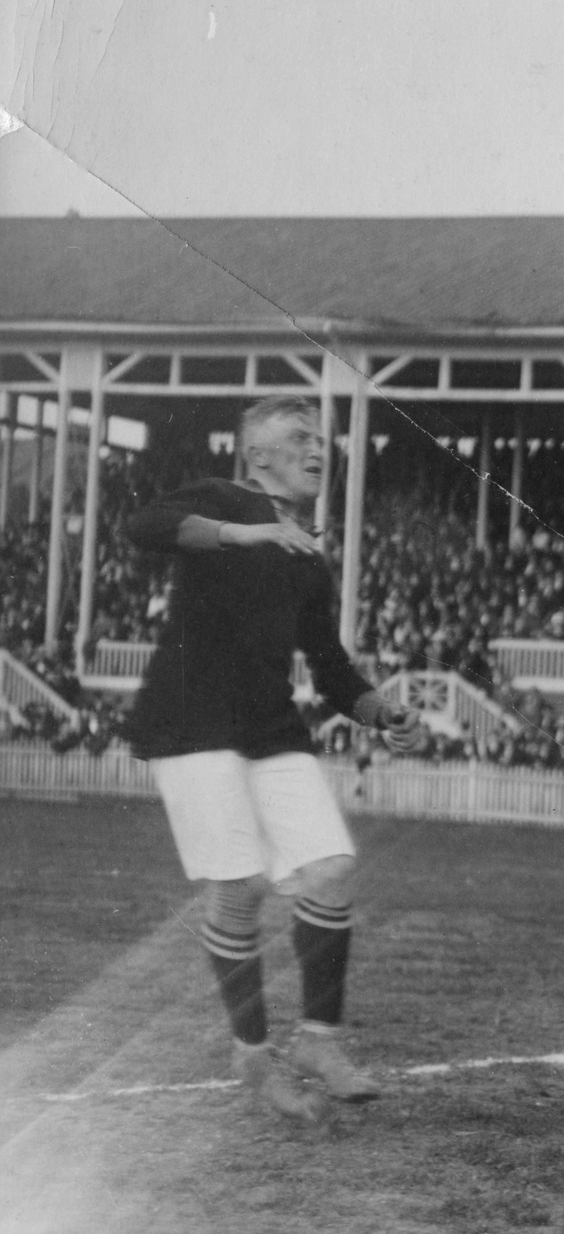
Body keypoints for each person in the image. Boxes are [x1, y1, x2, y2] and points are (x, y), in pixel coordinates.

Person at [122, 395, 422, 1124]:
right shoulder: (226, 498)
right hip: (191, 716)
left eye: (321, 440)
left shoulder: (306, 556)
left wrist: (382, 711)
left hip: (268, 724)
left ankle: (319, 1041)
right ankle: (253, 1056)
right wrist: (245, 532)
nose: (317, 450)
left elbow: (328, 666)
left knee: (332, 869)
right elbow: (142, 524)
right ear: (257, 455)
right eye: (298, 438)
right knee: (242, 885)